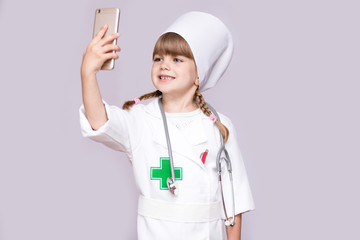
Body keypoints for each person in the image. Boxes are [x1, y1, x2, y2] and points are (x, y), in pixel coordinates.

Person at [79, 11, 255, 240]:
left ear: (198, 75)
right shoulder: (139, 119)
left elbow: (233, 202)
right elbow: (98, 121)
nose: (164, 65)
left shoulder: (219, 126)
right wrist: (88, 73)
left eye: (177, 59)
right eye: (158, 58)